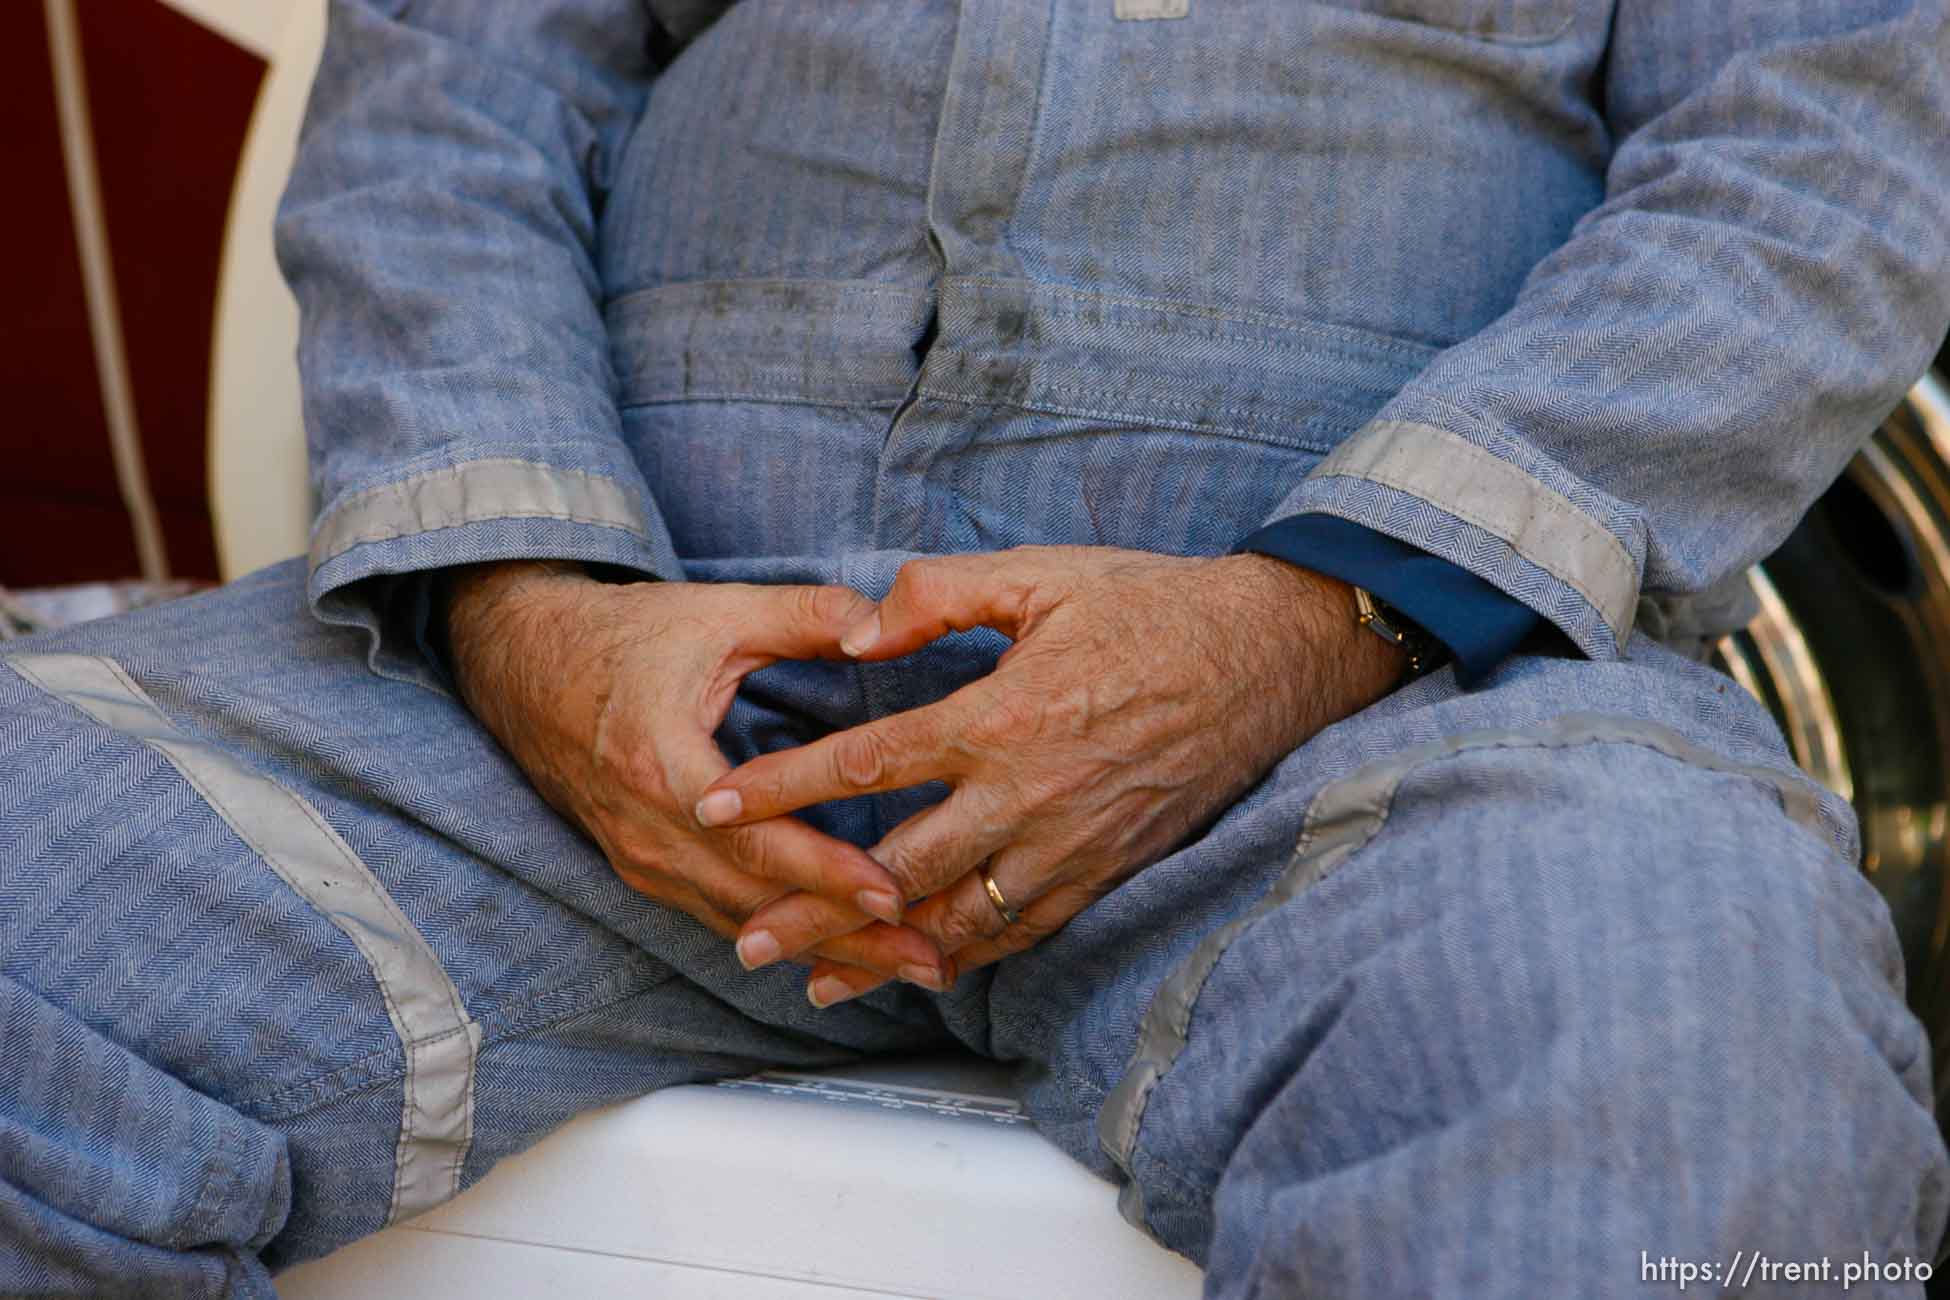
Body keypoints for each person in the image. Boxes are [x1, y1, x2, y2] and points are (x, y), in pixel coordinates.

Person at [3, 0, 1948, 1294]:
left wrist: (1302, 621)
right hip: (591, 685)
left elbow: (1817, 170)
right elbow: (447, 99)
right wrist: (532, 616)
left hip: (1407, 694)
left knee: (1683, 1052)